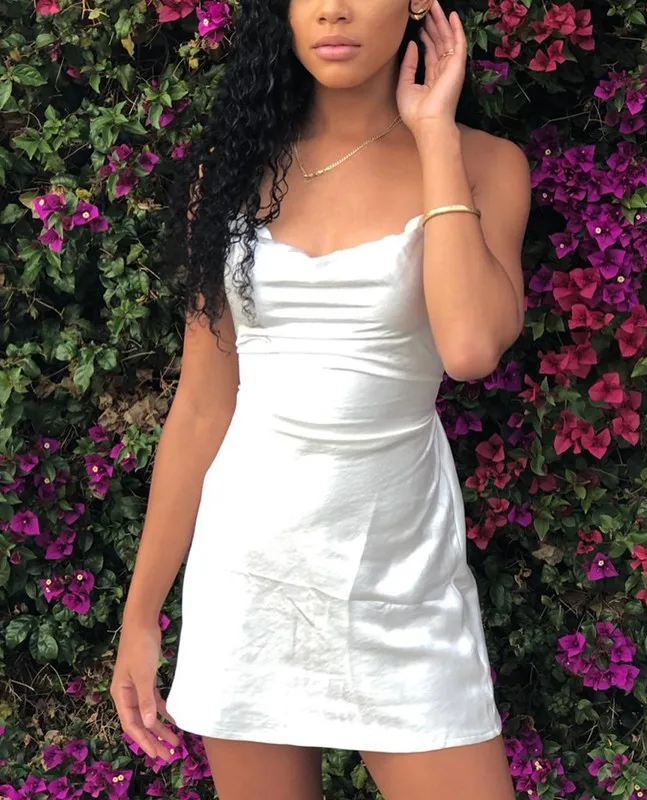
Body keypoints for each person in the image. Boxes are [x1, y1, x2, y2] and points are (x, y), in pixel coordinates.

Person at [110, 0, 530, 797]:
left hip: (400, 576)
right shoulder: (235, 168)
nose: (333, 9)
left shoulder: (485, 163)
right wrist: (141, 615)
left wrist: (434, 134)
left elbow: (472, 348)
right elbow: (201, 408)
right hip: (250, 577)